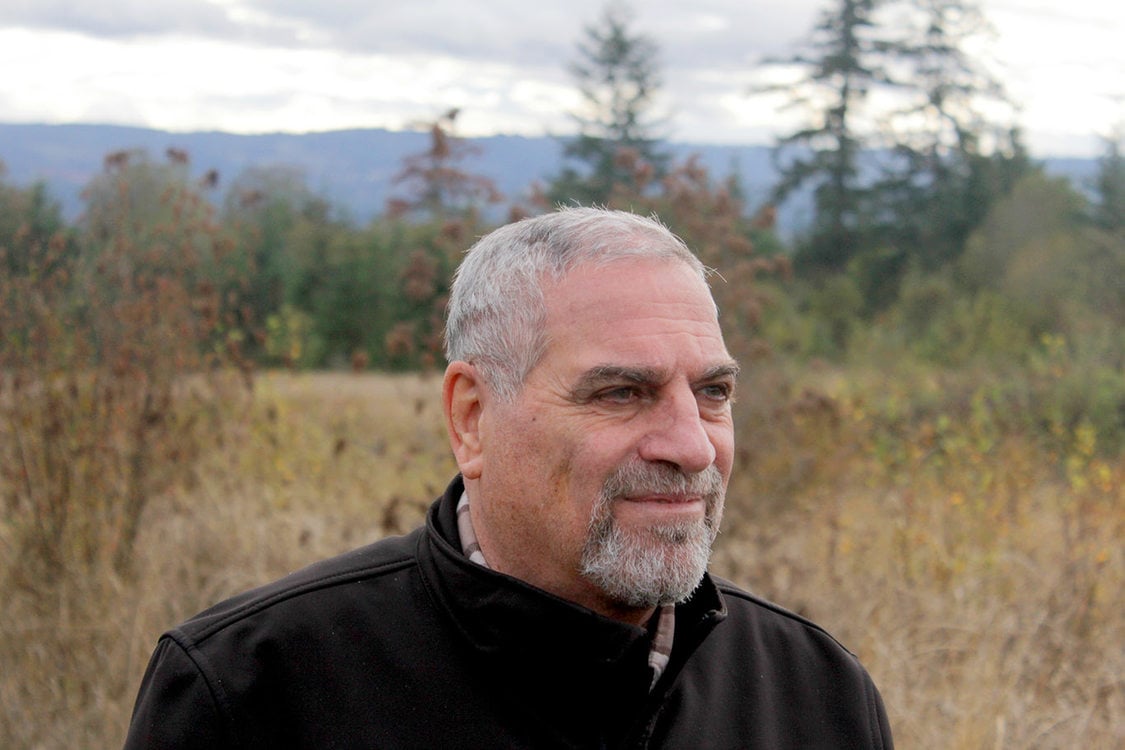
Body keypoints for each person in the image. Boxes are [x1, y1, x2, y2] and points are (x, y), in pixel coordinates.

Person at [124, 207, 894, 749]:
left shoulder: (815, 693)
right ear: (471, 417)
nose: (691, 447)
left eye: (713, 394)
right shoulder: (252, 690)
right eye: (620, 393)